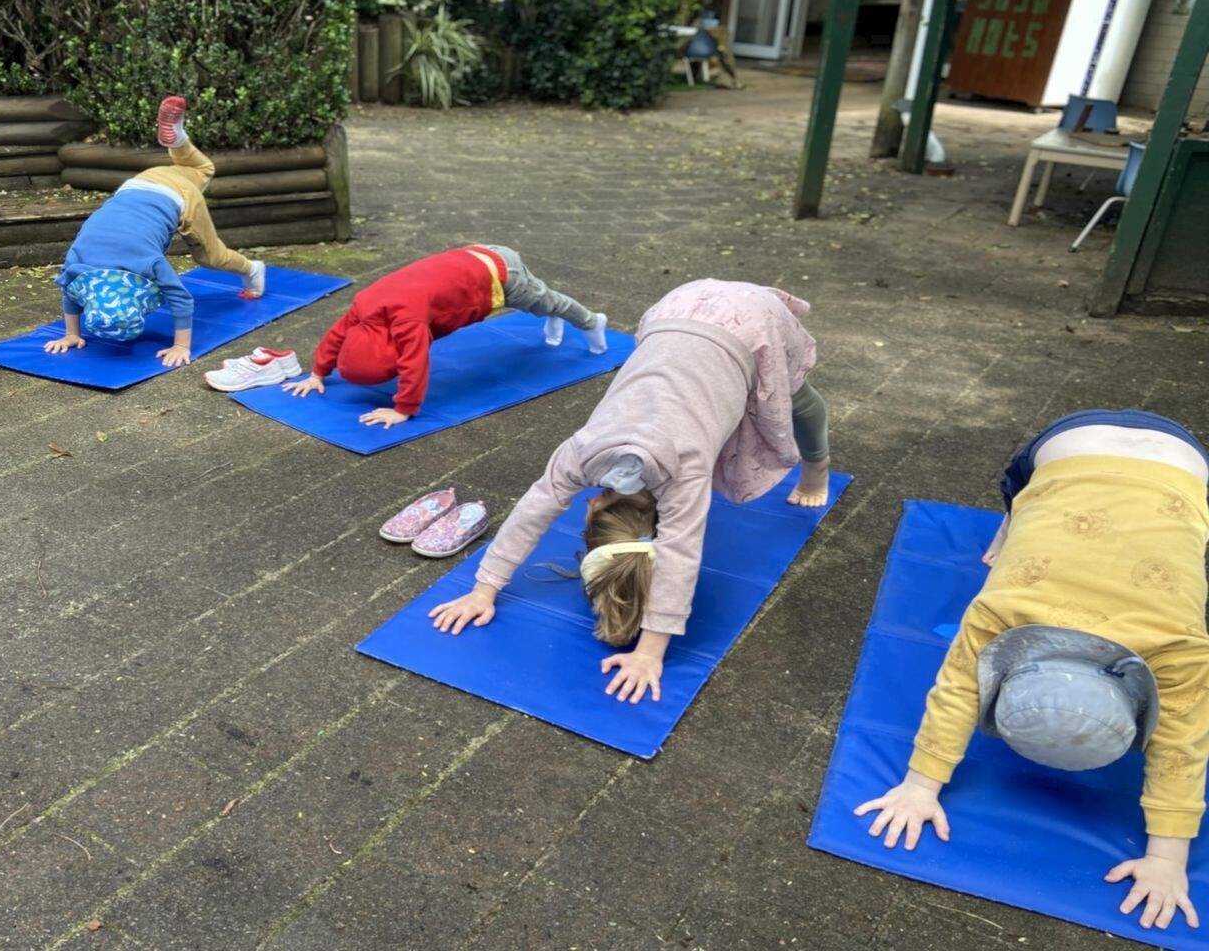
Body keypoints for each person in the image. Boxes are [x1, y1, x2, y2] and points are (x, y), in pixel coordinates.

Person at [855, 409, 1209, 933]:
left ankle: (1018, 523)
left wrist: (1167, 861)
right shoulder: (1006, 610)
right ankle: (1012, 526)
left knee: (1155, 521)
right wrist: (918, 786)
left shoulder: (1176, 644)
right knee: (1031, 497)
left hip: (1155, 460)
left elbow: (1182, 750)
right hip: (1099, 449)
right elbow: (1181, 744)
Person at [427, 279, 832, 702]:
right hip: (675, 321)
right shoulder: (583, 450)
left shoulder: (684, 470)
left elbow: (681, 552)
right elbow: (532, 511)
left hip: (747, 325)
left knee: (792, 402)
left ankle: (817, 466)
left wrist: (650, 652)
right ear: (594, 503)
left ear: (596, 502)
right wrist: (483, 589)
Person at [281, 244, 609, 428]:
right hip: (470, 255)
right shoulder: (365, 305)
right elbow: (336, 335)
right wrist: (318, 372)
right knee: (542, 302)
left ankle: (592, 321)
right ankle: (552, 316)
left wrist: (404, 409)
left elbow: (415, 363)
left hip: (500, 273)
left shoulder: (406, 322)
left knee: (548, 301)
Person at [44, 96, 265, 364]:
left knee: (210, 257)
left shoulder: (149, 264)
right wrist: (71, 333)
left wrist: (181, 346)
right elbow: (68, 289)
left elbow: (181, 298)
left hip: (178, 196)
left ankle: (253, 269)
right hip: (140, 183)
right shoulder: (77, 261)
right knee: (203, 169)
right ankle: (178, 139)